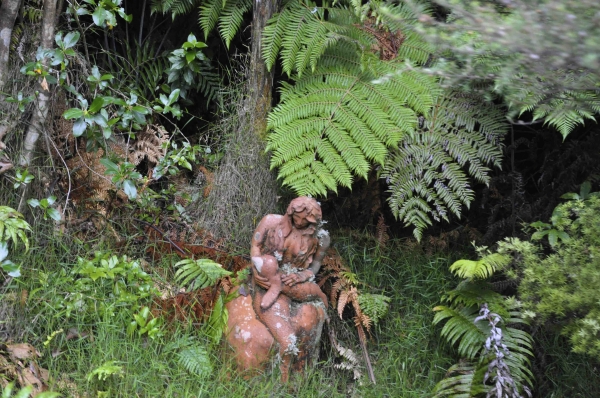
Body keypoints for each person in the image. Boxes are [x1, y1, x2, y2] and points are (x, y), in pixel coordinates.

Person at [249, 196, 330, 382]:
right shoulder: (271, 221)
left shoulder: (321, 237)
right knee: (287, 339)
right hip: (269, 279)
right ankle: (276, 287)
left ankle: (313, 295)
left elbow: (315, 265)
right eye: (297, 218)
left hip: (295, 281)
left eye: (306, 221)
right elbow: (256, 244)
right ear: (290, 213)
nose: (300, 223)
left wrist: (302, 275)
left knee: (308, 296)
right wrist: (255, 268)